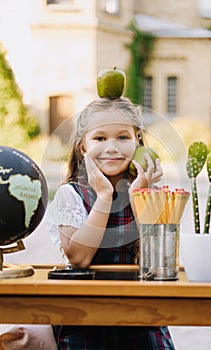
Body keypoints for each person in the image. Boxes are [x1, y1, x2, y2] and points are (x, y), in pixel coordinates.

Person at [46, 97, 176, 349]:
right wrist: (104, 197)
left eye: (122, 137)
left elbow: (160, 264)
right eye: (100, 138)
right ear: (82, 147)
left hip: (141, 316)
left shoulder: (151, 192)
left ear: (138, 140)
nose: (112, 147)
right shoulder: (71, 195)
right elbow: (79, 258)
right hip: (83, 318)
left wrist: (141, 198)